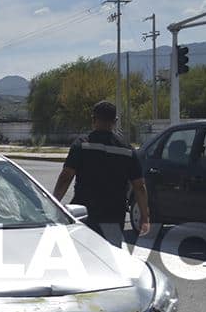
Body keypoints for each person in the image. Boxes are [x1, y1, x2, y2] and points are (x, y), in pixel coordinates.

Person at [52, 100, 151, 246]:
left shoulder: (82, 145)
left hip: (84, 214)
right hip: (114, 216)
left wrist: (54, 205)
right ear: (115, 121)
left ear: (93, 119)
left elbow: (66, 178)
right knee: (110, 259)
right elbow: (139, 187)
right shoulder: (127, 150)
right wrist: (144, 216)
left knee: (83, 256)